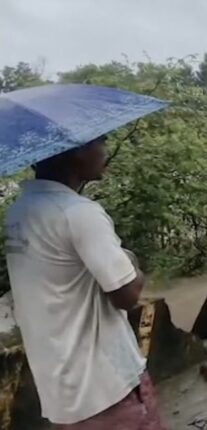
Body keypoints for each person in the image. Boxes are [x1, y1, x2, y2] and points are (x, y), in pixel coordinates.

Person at [3, 136, 166, 429]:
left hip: (60, 391)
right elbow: (126, 295)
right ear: (77, 152)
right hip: (107, 385)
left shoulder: (21, 211)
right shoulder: (78, 213)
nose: (105, 151)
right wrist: (133, 266)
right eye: (101, 142)